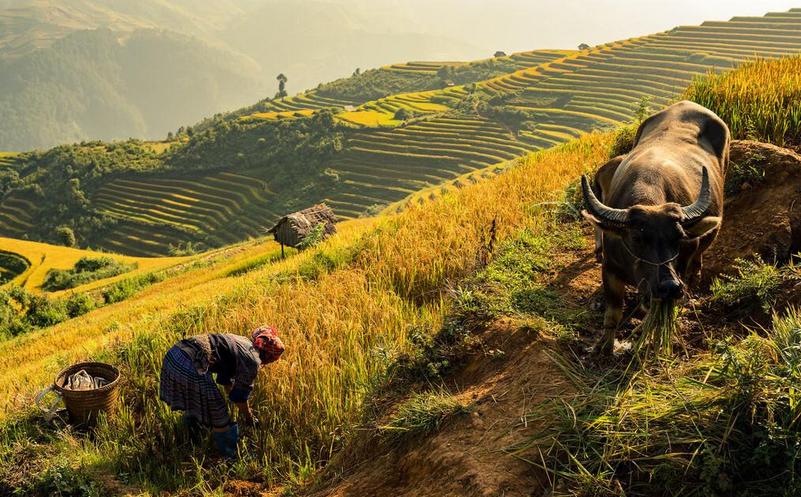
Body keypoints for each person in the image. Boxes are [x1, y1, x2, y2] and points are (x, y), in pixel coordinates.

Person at [159, 325, 285, 459]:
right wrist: (249, 418)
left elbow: (226, 380)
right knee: (218, 413)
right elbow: (240, 396)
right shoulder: (252, 360)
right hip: (191, 363)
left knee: (196, 402)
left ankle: (191, 437)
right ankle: (230, 455)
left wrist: (233, 398)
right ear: (269, 356)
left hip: (174, 356)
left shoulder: (241, 341)